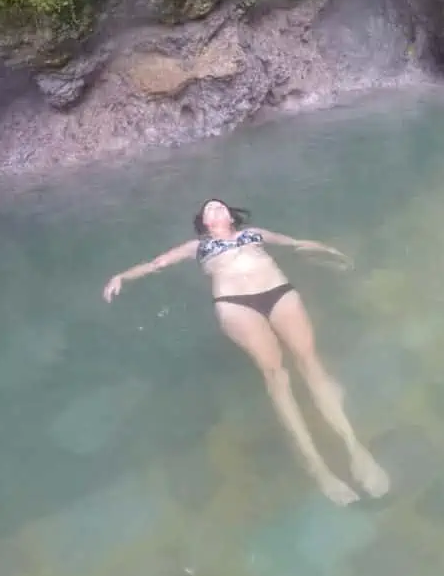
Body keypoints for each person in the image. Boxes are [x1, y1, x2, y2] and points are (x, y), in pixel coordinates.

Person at [102, 197, 389, 505]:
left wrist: (329, 251)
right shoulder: (196, 247)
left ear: (230, 216)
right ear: (204, 223)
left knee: (311, 362)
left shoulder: (254, 234)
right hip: (235, 304)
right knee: (276, 374)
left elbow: (294, 244)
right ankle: (316, 466)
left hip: (279, 293)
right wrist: (122, 276)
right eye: (208, 208)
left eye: (219, 205)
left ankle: (355, 447)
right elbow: (155, 264)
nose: (214, 207)